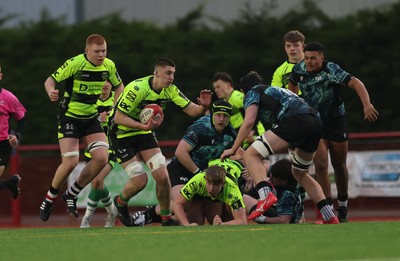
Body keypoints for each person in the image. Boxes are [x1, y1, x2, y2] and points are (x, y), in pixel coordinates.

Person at [220, 71, 339, 224]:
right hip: (315, 121)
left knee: (251, 155)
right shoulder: (275, 91)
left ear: (243, 91)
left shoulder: (253, 92)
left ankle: (265, 196)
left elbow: (249, 121)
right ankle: (330, 216)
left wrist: (233, 148)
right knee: (300, 173)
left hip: (297, 120)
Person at [110, 57, 212, 226]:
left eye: (173, 74)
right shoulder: (137, 89)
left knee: (163, 177)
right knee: (140, 181)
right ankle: (120, 202)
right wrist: (142, 126)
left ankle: (165, 218)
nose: (171, 77)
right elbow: (118, 118)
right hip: (121, 135)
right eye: (168, 73)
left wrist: (203, 107)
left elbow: (192, 110)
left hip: (144, 133)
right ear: (156, 73)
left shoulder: (170, 90)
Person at [288, 42, 379, 222]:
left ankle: (343, 206)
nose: (309, 62)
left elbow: (356, 83)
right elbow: (291, 87)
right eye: (306, 58)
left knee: (339, 165)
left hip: (336, 122)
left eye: (313, 58)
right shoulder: (299, 70)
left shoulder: (331, 70)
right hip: (315, 123)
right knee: (320, 164)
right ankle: (327, 210)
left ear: (322, 58)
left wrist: (367, 104)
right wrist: (295, 104)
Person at [39, 34, 125, 222]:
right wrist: (51, 92)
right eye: (97, 51)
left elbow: (120, 87)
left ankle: (71, 193)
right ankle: (49, 198)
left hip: (90, 117)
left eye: (104, 50)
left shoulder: (109, 65)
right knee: (70, 162)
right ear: (87, 51)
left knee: (102, 158)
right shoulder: (75, 63)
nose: (101, 55)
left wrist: (113, 108)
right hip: (69, 116)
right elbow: (50, 80)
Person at [132, 99, 237, 226]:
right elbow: (180, 152)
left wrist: (244, 169)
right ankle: (149, 214)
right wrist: (198, 172)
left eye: (225, 116)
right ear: (212, 115)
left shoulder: (230, 132)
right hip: (181, 170)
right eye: (218, 115)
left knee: (195, 222)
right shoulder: (201, 127)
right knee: (183, 204)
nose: (221, 119)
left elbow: (237, 152)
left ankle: (162, 217)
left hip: (203, 175)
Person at [80, 80, 117, 228]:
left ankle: (86, 218)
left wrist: (109, 119)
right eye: (102, 80)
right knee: (98, 183)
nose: (105, 84)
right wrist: (97, 119)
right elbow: (81, 121)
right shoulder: (90, 99)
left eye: (109, 81)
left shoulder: (117, 97)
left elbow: (125, 119)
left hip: (112, 148)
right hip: (92, 148)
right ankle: (112, 212)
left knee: (97, 181)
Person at [172, 165, 247, 226]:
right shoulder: (197, 181)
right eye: (209, 183)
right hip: (200, 195)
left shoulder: (232, 189)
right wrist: (186, 225)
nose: (211, 188)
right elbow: (177, 203)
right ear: (205, 179)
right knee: (195, 222)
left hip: (233, 173)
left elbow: (243, 221)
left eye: (216, 185)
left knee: (220, 218)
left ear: (223, 184)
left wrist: (223, 224)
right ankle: (168, 216)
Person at [212, 72, 265, 146]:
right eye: (215, 88)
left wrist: (252, 131)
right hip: (243, 140)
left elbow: (256, 108)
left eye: (218, 87)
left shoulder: (237, 97)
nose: (216, 90)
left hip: (254, 137)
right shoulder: (225, 103)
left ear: (228, 85)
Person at [246, 158, 303, 224]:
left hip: (283, 218)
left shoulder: (287, 195)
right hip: (289, 216)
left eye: (275, 177)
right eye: (272, 175)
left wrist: (261, 219)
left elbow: (284, 221)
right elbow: (260, 167)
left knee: (245, 199)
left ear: (284, 181)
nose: (271, 179)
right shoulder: (291, 185)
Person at [0, 64, 26, 199]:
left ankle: (11, 183)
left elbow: (22, 118)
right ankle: (10, 183)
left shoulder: (8, 97)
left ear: (0, 76)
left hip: (2, 144)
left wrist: (16, 135)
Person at [271, 30, 305, 94]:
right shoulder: (279, 71)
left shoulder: (313, 63)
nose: (292, 49)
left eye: (295, 45)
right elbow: (274, 94)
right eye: (288, 46)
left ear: (303, 47)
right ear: (285, 48)